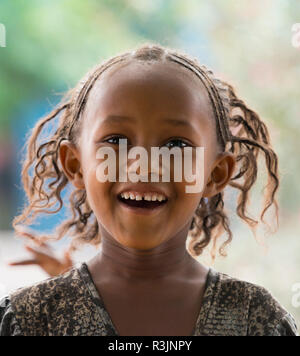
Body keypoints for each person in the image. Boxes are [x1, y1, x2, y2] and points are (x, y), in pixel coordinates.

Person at [0, 43, 298, 336]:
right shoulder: (29, 321)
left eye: (176, 145)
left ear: (214, 174)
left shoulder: (257, 321)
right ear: (76, 164)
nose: (144, 166)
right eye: (116, 140)